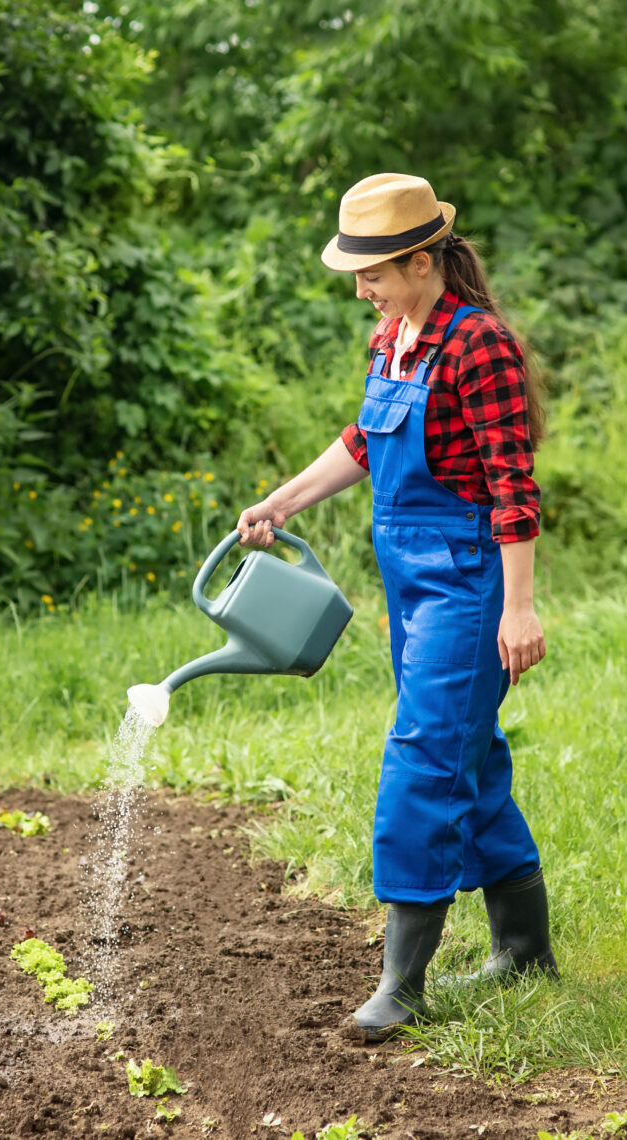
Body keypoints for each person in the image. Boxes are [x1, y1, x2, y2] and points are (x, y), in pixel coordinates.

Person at [236, 172, 557, 1044]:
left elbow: (511, 486)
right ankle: (524, 950)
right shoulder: (393, 338)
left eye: (372, 270)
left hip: (468, 577)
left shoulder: (476, 344)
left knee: (421, 758)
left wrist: (517, 609)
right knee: (468, 751)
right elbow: (362, 440)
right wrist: (283, 501)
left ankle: (401, 983)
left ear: (422, 260)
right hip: (411, 585)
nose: (360, 287)